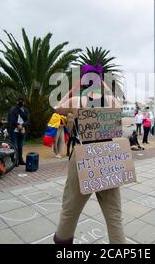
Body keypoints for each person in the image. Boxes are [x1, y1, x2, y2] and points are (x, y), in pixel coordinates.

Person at [53, 68, 126, 244]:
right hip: (108, 156)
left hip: (83, 155)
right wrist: (105, 87)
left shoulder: (76, 101)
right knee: (113, 212)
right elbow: (120, 106)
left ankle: (63, 242)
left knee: (70, 208)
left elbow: (56, 107)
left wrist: (73, 88)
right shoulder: (110, 100)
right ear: (100, 82)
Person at [7, 98, 30, 165]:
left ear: (24, 102)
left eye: (22, 101)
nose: (20, 102)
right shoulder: (13, 109)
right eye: (19, 101)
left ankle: (20, 160)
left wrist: (22, 125)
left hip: (22, 130)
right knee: (14, 146)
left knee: (20, 146)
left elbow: (28, 120)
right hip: (14, 130)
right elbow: (11, 120)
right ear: (17, 102)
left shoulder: (25, 110)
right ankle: (14, 160)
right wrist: (17, 125)